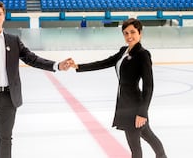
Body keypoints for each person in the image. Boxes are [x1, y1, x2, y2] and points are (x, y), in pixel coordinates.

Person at [0, 0, 73, 158]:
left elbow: (32, 59)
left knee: (6, 138)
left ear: (4, 17)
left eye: (0, 14)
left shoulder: (13, 40)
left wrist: (57, 65)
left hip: (9, 98)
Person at [71, 18, 167, 158]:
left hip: (135, 107)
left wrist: (142, 112)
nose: (129, 36)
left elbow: (148, 86)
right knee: (148, 135)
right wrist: (79, 66)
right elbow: (105, 62)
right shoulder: (123, 51)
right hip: (124, 103)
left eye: (133, 32)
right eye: (126, 33)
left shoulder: (142, 55)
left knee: (135, 147)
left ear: (140, 33)